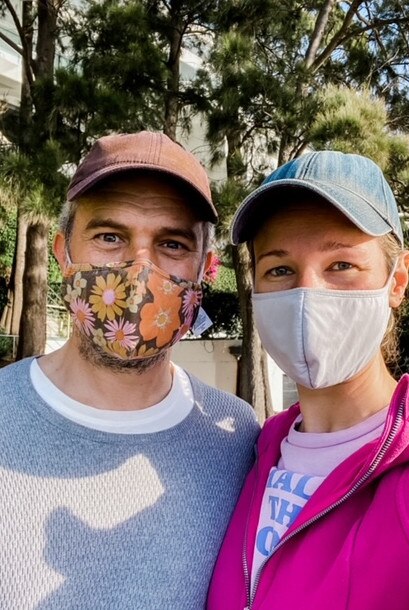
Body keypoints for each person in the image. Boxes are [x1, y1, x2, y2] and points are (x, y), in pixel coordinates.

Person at [0, 131, 259, 609]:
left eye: (173, 243)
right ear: (63, 253)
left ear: (206, 269)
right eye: (109, 237)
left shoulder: (238, 438)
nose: (139, 268)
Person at [207, 151, 409, 610]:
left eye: (341, 264)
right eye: (279, 269)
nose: (308, 293)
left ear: (397, 279)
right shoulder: (252, 454)